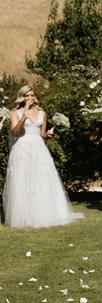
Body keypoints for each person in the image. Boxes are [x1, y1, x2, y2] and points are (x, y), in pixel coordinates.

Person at [2, 85, 83, 228]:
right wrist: (23, 117)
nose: (29, 98)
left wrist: (48, 135)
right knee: (23, 181)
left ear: (35, 96)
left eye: (32, 95)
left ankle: (44, 213)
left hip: (39, 149)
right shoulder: (16, 112)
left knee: (40, 180)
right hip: (22, 149)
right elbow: (14, 132)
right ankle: (24, 216)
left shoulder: (42, 113)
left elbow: (42, 134)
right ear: (22, 97)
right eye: (26, 96)